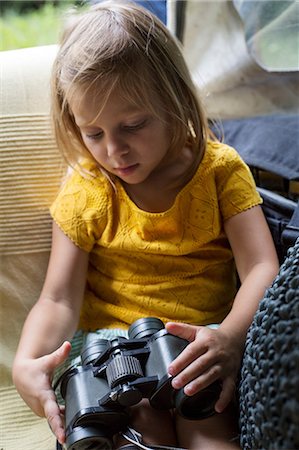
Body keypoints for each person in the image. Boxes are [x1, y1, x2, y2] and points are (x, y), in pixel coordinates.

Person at [12, 2, 279, 449]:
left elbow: (261, 267)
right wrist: (27, 361)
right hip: (114, 350)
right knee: (139, 431)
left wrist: (230, 338)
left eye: (133, 125)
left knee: (208, 432)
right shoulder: (88, 189)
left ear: (174, 100)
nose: (114, 150)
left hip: (200, 344)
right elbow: (58, 297)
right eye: (93, 133)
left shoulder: (219, 171)